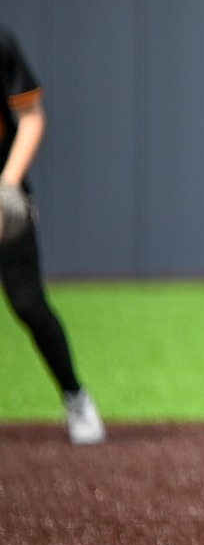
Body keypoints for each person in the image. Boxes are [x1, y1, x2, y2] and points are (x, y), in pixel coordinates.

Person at [1, 23, 104, 446]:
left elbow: (30, 119)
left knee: (28, 304)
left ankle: (75, 396)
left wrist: (7, 187)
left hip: (2, 199)